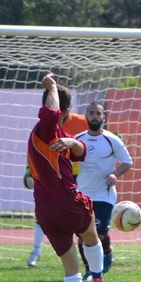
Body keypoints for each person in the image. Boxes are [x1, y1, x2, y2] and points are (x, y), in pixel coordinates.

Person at [27, 72, 114, 282]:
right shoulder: (46, 128)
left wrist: (73, 142)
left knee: (70, 267)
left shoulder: (56, 134)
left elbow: (81, 152)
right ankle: (97, 274)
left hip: (45, 210)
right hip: (66, 201)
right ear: (65, 111)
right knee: (92, 237)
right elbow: (51, 113)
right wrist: (52, 86)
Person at [73, 100, 133, 277]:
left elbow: (127, 162)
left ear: (104, 118)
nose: (95, 116)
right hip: (82, 195)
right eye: (91, 113)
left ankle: (104, 258)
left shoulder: (112, 140)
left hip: (104, 195)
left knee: (99, 235)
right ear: (86, 116)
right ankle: (89, 271)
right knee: (83, 236)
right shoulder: (77, 140)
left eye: (98, 113)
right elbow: (67, 163)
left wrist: (115, 174)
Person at [27, 111, 89, 267]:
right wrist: (29, 170)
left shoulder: (81, 121)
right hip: (54, 180)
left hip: (75, 178)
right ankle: (36, 251)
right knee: (47, 215)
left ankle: (93, 266)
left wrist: (74, 143)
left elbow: (86, 144)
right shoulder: (45, 126)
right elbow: (37, 152)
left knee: (84, 224)